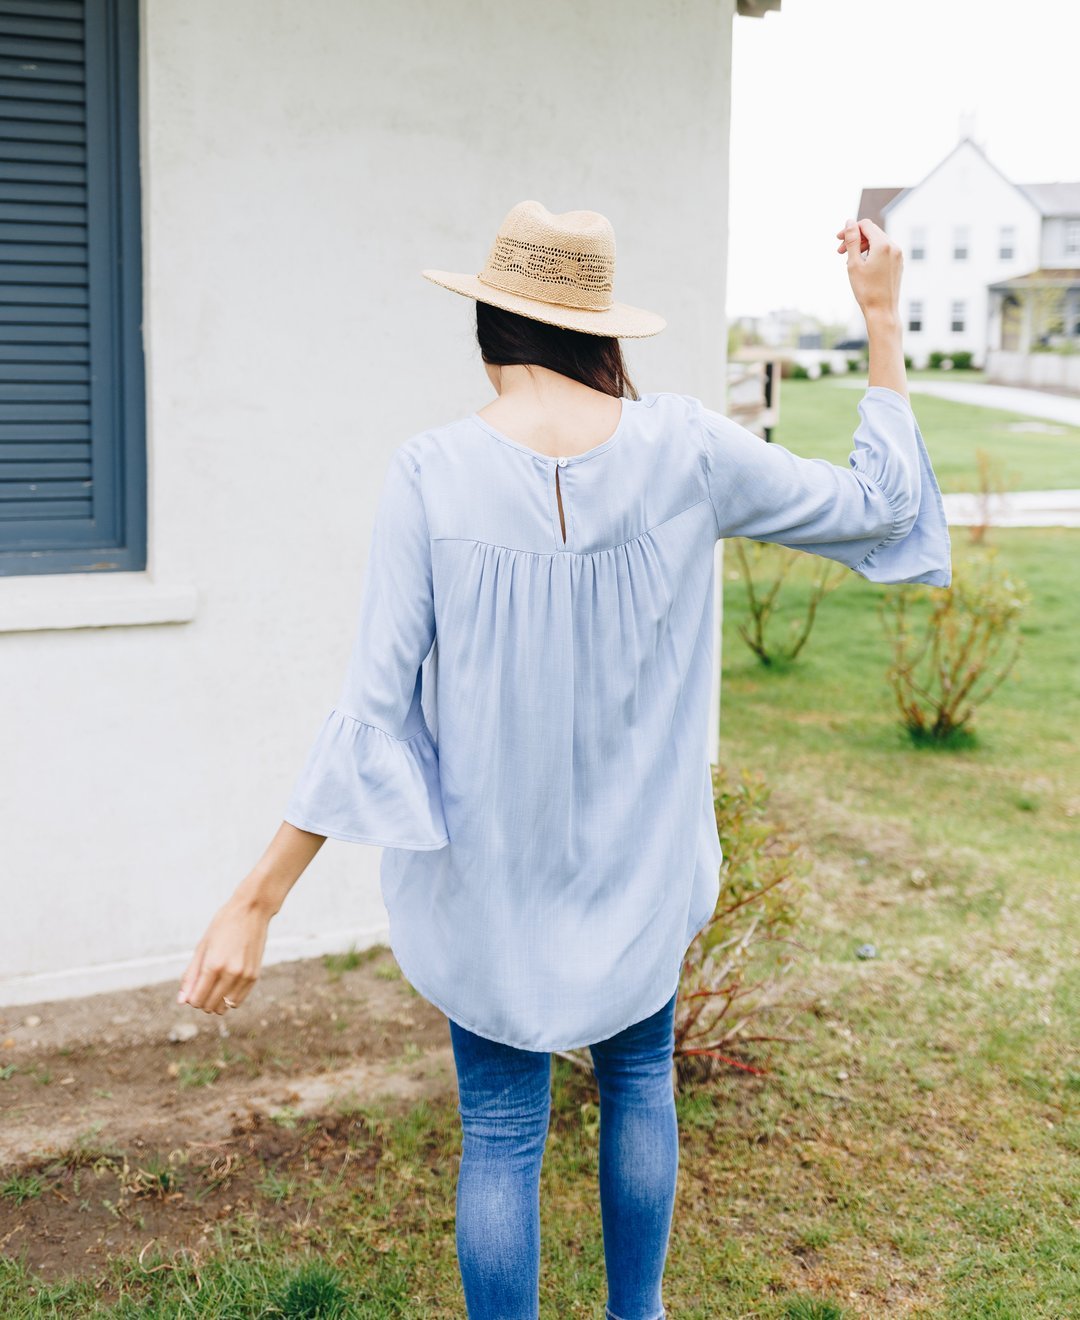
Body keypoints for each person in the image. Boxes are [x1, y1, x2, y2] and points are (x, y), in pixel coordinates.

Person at [176, 201, 951, 1319]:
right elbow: (879, 509)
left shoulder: (430, 472)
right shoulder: (685, 446)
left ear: (489, 321)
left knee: (500, 1132)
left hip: (489, 882)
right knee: (641, 1083)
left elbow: (371, 711)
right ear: (602, 332)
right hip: (639, 874)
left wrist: (258, 902)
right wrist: (881, 318)